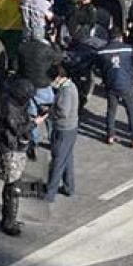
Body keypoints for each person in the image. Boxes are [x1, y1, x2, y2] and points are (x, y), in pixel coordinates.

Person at [0, 78, 40, 236]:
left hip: (17, 147)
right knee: (12, 186)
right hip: (10, 149)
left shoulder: (18, 104)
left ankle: (10, 218)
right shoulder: (9, 108)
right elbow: (16, 128)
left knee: (14, 184)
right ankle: (8, 222)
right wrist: (34, 123)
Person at [96, 27, 133, 148]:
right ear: (120, 37)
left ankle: (110, 134)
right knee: (131, 111)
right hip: (127, 83)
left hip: (111, 84)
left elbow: (98, 67)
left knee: (111, 110)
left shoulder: (101, 51)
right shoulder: (128, 48)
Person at [16, 34, 59, 154]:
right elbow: (59, 58)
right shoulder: (46, 49)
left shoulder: (22, 47)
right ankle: (53, 141)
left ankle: (33, 142)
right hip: (43, 87)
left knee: (31, 116)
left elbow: (16, 66)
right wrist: (54, 43)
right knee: (49, 116)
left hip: (28, 87)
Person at [44, 65, 78, 202]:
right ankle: (69, 187)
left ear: (58, 78)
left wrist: (50, 112)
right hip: (70, 128)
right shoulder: (70, 87)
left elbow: (63, 112)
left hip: (64, 129)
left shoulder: (66, 91)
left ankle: (49, 193)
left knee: (57, 161)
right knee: (66, 158)